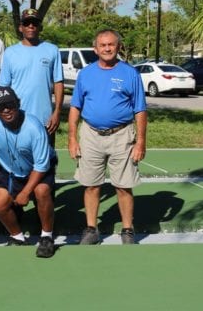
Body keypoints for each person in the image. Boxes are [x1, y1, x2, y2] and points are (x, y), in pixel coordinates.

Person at [68, 29, 147, 245]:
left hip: (122, 135)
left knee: (123, 185)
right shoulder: (85, 74)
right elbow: (75, 107)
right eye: (102, 45)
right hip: (91, 135)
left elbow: (140, 110)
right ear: (96, 49)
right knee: (91, 185)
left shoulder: (130, 73)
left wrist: (140, 141)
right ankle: (91, 228)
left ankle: (128, 230)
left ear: (118, 47)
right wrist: (72, 139)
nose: (107, 48)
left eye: (111, 44)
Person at [0, 86, 57, 258]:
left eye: (10, 104)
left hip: (38, 169)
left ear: (18, 104)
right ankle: (17, 237)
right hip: (11, 170)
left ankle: (47, 237)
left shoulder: (35, 127)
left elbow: (41, 166)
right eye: (0, 107)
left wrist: (26, 192)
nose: (6, 110)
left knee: (41, 191)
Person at [0, 8, 64, 145]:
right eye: (27, 23)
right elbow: (3, 87)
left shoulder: (52, 50)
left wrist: (57, 112)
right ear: (20, 28)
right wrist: (7, 115)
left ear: (40, 27)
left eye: (34, 23)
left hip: (45, 122)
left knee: (46, 165)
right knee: (19, 164)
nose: (31, 26)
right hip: (18, 120)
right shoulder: (10, 53)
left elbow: (58, 82)